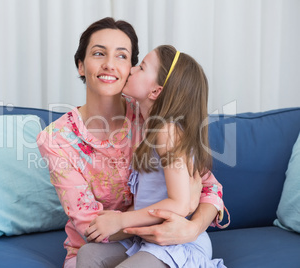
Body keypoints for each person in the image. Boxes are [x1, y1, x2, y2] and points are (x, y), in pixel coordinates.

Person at [37, 17, 226, 268]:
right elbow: (91, 227)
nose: (109, 65)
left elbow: (208, 188)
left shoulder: (154, 120)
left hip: (163, 240)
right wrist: (171, 215)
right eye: (98, 53)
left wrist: (191, 228)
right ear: (81, 66)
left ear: (131, 69)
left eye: (122, 56)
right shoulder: (57, 138)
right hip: (110, 243)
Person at [76, 45, 229, 267]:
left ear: (156, 91)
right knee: (88, 254)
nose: (131, 69)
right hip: (145, 238)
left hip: (174, 243)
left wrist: (120, 220)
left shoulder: (167, 132)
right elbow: (151, 195)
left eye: (141, 67)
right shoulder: (148, 127)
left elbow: (179, 203)